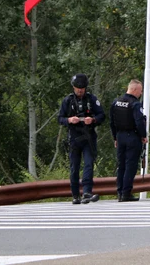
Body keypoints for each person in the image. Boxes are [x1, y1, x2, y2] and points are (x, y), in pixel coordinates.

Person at [58, 73, 105, 205]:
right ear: (73, 87)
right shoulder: (67, 101)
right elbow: (60, 118)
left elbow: (102, 115)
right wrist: (69, 120)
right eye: (78, 88)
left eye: (82, 88)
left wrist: (93, 120)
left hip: (89, 136)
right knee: (74, 167)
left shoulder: (92, 99)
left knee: (89, 164)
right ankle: (75, 194)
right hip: (74, 137)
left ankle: (87, 192)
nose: (80, 90)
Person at [110, 79, 148, 202]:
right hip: (132, 137)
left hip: (120, 136)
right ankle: (126, 193)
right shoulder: (135, 104)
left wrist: (115, 137)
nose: (141, 93)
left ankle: (120, 191)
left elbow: (112, 122)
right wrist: (143, 135)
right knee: (130, 165)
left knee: (121, 165)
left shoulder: (116, 102)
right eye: (140, 91)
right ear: (135, 89)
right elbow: (139, 122)